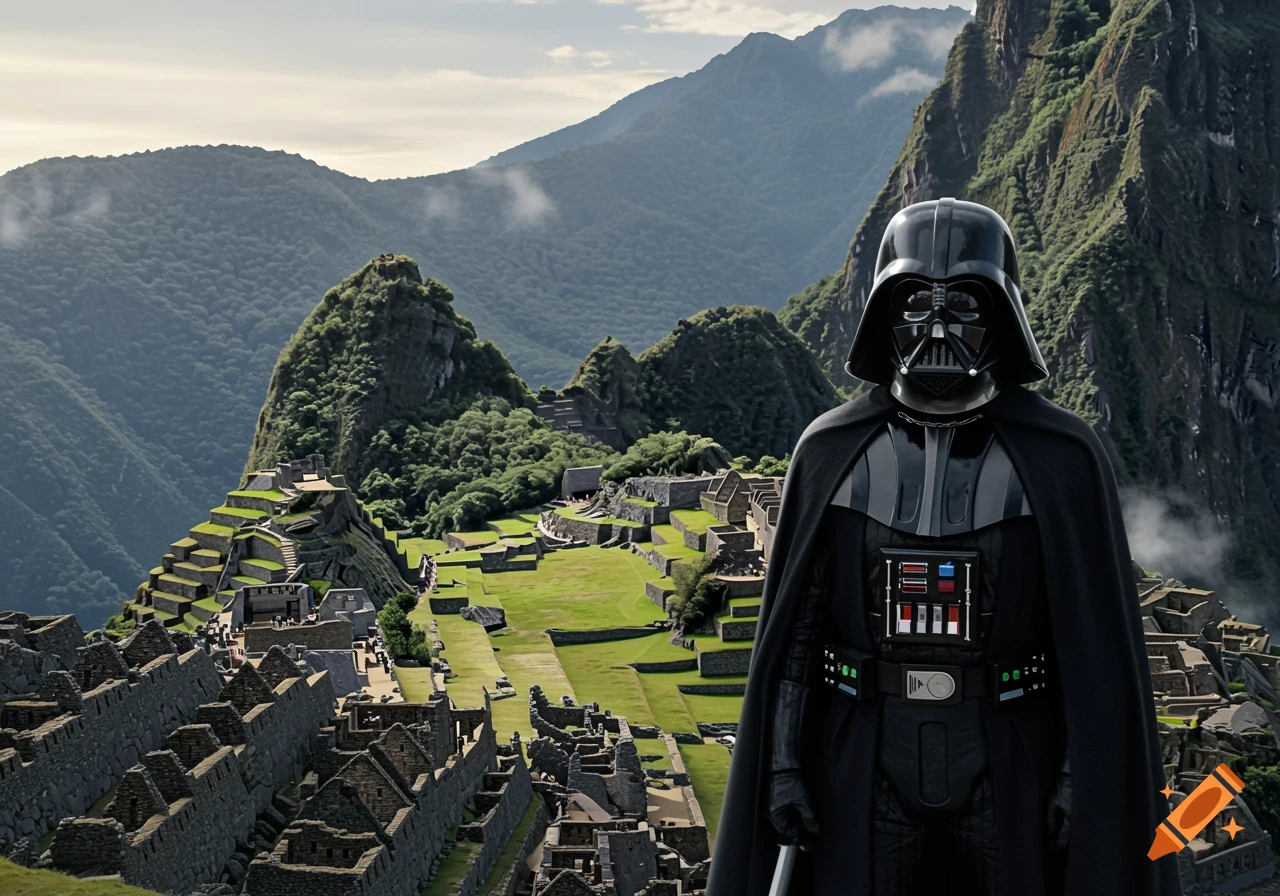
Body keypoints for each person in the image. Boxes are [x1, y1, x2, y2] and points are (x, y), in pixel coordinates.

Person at [706, 199, 1178, 896]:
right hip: (862, 752)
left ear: (1001, 313)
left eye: (961, 303)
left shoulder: (1061, 459)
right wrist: (781, 765)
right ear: (879, 314)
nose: (934, 326)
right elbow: (798, 634)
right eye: (912, 302)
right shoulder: (830, 452)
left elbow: (1090, 650)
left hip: (1008, 753)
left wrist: (1080, 776)